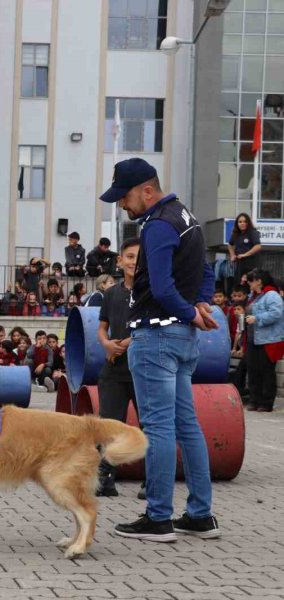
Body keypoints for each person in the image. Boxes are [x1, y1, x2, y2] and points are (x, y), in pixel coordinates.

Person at [100, 157, 221, 542]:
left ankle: (158, 517)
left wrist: (191, 310)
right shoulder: (186, 216)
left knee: (157, 429)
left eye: (125, 196)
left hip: (155, 337)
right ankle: (200, 515)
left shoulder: (155, 225)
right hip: (184, 339)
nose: (122, 205)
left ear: (147, 191)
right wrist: (200, 306)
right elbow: (205, 272)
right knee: (187, 426)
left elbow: (164, 288)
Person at [95, 237, 141, 497]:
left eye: (139, 257)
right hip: (113, 369)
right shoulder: (111, 294)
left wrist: (124, 342)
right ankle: (105, 479)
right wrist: (107, 345)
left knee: (149, 425)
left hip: (143, 370)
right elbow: (102, 327)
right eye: (130, 256)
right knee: (109, 425)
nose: (134, 262)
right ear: (120, 260)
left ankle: (152, 482)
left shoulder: (151, 291)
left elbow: (149, 325)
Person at [243, 269, 284, 412]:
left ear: (259, 281)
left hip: (268, 339)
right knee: (253, 371)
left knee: (266, 372)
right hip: (253, 338)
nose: (249, 283)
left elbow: (276, 313)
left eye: (251, 280)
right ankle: (254, 400)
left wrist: (258, 318)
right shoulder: (253, 296)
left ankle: (266, 402)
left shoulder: (271, 295)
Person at [228, 212, 262, 284]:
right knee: (238, 284)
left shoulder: (252, 232)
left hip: (251, 265)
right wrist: (232, 255)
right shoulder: (236, 234)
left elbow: (258, 246)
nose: (242, 223)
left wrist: (245, 254)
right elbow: (230, 245)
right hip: (240, 265)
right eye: (240, 222)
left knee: (249, 284)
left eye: (245, 222)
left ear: (248, 223)